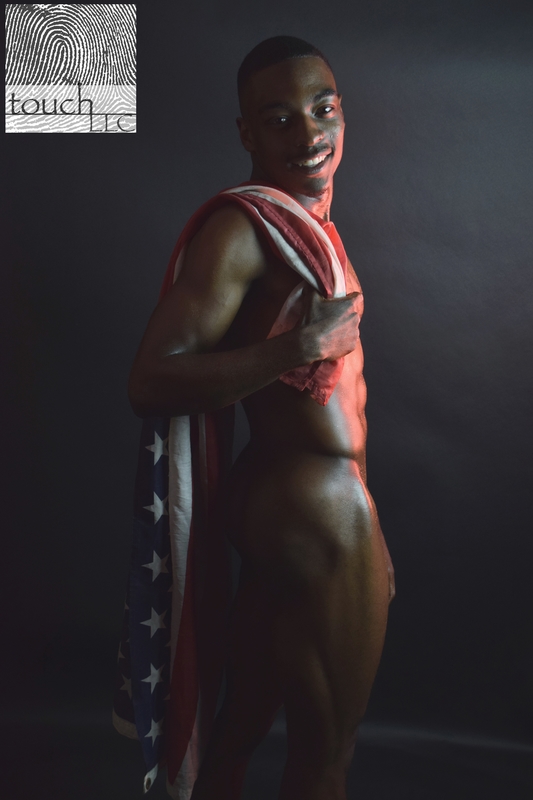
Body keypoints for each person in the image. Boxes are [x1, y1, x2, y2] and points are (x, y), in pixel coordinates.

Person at [125, 36, 394, 800]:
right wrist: (296, 348)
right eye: (279, 119)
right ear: (246, 132)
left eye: (321, 109)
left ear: (341, 114)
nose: (308, 134)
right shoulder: (243, 229)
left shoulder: (306, 225)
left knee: (241, 724)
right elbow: (150, 379)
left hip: (312, 507)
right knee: (326, 750)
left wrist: (368, 533)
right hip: (311, 508)